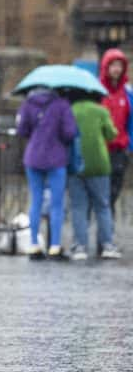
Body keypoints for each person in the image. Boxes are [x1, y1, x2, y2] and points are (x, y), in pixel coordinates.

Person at [16, 87, 78, 259]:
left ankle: (34, 245)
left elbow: (21, 130)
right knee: (57, 204)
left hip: (33, 157)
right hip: (56, 158)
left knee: (35, 201)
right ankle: (55, 246)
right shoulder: (62, 105)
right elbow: (70, 132)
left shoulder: (27, 104)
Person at [67, 92, 120, 259]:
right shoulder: (101, 111)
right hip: (99, 165)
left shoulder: (70, 110)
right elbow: (111, 134)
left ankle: (80, 246)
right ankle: (107, 245)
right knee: (103, 206)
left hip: (75, 163)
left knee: (78, 207)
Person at [98, 48, 133, 215]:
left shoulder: (127, 94)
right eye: (113, 65)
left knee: (113, 193)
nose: (116, 69)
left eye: (120, 65)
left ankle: (107, 233)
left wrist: (129, 146)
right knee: (102, 194)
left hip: (120, 150)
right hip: (101, 149)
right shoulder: (98, 92)